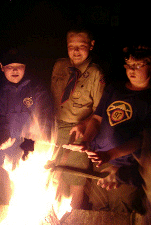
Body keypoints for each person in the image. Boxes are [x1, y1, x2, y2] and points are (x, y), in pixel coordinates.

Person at [63, 44, 151, 214]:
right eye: (128, 65)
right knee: (98, 209)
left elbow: (142, 139)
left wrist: (112, 155)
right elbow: (97, 119)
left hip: (127, 169)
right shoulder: (115, 89)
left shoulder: (148, 99)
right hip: (100, 161)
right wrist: (86, 141)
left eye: (138, 65)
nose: (132, 70)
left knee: (120, 212)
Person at [0, 49, 53, 204]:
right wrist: (0, 137)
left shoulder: (36, 88)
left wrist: (37, 137)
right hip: (1, 156)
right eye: (10, 66)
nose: (15, 70)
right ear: (2, 67)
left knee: (26, 201)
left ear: (25, 66)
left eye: (19, 66)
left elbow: (44, 117)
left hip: (28, 156)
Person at [50, 27, 106, 209]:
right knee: (53, 172)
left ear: (91, 45)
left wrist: (84, 124)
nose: (75, 51)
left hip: (79, 130)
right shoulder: (59, 66)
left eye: (81, 46)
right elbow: (51, 96)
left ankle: (74, 215)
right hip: (55, 127)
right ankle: (50, 212)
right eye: (71, 46)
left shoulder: (96, 74)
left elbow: (100, 112)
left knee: (76, 176)